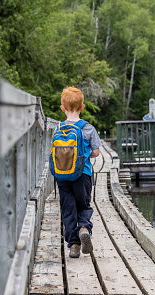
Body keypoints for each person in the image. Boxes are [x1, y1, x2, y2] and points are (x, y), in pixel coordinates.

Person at [57, 87, 101, 258]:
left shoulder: (58, 128)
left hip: (62, 175)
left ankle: (74, 245)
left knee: (68, 208)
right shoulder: (88, 128)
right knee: (83, 205)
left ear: (63, 108)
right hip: (83, 173)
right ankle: (84, 228)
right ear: (82, 107)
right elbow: (96, 152)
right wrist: (84, 154)